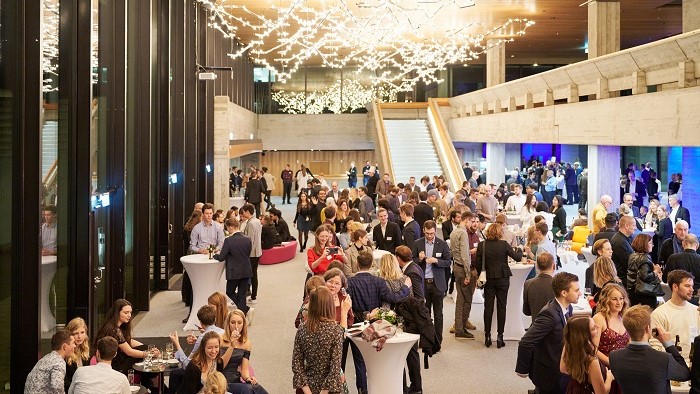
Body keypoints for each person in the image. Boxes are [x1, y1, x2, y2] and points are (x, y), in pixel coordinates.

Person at [346, 252, 410, 393]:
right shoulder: (379, 281)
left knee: (360, 361)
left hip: (356, 326)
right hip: (376, 327)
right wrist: (406, 288)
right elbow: (393, 298)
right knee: (376, 360)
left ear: (357, 264)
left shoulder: (349, 282)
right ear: (372, 265)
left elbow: (348, 306)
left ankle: (363, 390)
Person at [516, 272, 580, 394]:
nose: (580, 293)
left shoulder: (568, 307)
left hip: (560, 366)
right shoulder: (550, 315)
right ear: (564, 293)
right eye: (576, 290)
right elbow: (526, 341)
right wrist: (523, 370)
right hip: (548, 372)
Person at [609, 305, 689, 394]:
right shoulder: (663, 359)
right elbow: (685, 374)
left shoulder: (614, 357)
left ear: (627, 329)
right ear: (648, 328)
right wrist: (668, 344)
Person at [476, 222, 524, 348]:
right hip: (503, 278)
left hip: (488, 279)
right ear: (500, 233)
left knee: (488, 307)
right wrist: (519, 249)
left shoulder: (482, 245)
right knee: (502, 307)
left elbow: (477, 263)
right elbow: (517, 258)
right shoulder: (503, 244)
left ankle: (487, 335)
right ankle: (500, 336)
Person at [292, 286, 345, 394]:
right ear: (329, 305)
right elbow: (335, 366)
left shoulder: (302, 328)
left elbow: (296, 362)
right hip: (329, 389)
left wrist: (306, 390)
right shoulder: (336, 330)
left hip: (307, 386)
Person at [412, 220, 452, 346]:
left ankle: (438, 341)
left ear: (435, 231)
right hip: (423, 284)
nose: (430, 236)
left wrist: (437, 261)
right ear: (424, 230)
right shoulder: (417, 243)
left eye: (432, 233)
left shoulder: (442, 244)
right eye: (427, 233)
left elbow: (448, 262)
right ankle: (426, 340)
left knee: (438, 314)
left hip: (437, 283)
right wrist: (419, 258)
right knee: (425, 314)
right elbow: (412, 261)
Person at [650, 269, 700, 357]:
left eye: (692, 286)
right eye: (687, 286)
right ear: (675, 287)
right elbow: (656, 346)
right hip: (672, 365)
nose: (692, 290)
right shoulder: (659, 314)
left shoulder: (696, 311)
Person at [94, 299, 151, 375]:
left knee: (144, 348)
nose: (129, 315)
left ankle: (149, 382)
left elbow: (129, 341)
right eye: (126, 313)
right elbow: (129, 352)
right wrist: (148, 354)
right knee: (143, 358)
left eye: (130, 312)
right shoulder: (113, 330)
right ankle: (149, 382)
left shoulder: (119, 326)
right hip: (113, 363)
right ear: (117, 313)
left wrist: (147, 348)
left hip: (119, 357)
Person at [559, 315, 614, 393]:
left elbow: (563, 369)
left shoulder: (569, 347)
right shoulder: (592, 361)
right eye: (593, 328)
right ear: (585, 335)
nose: (597, 326)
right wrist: (609, 377)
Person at [219, 310, 269, 394]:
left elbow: (244, 369)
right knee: (248, 390)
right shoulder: (220, 339)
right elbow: (220, 366)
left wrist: (248, 378)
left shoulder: (247, 343)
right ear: (228, 323)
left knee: (255, 387)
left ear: (243, 324)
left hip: (235, 380)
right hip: (221, 380)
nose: (236, 326)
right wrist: (231, 346)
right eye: (233, 322)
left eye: (239, 323)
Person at [214, 218, 253, 323]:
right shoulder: (247, 239)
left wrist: (214, 255)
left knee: (230, 291)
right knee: (242, 294)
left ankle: (245, 310)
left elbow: (222, 257)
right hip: (246, 270)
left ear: (230, 227)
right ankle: (243, 315)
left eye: (227, 228)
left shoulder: (228, 240)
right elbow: (248, 253)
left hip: (234, 271)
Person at [450, 210, 477, 339]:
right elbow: (466, 256)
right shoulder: (463, 233)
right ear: (466, 220)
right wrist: (468, 274)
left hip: (456, 266)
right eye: (472, 221)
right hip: (463, 268)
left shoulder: (454, 231)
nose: (473, 223)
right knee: (466, 300)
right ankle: (461, 328)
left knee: (460, 299)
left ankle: (459, 327)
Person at [592, 284, 630, 373]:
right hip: (604, 368)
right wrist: (611, 362)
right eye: (614, 299)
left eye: (621, 298)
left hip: (623, 367)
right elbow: (593, 349)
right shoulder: (599, 318)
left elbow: (629, 344)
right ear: (606, 300)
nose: (619, 302)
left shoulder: (624, 317)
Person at [626, 233, 662, 307]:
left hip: (632, 291)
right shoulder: (645, 258)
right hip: (644, 294)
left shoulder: (632, 255)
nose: (653, 245)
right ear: (644, 244)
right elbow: (645, 276)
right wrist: (656, 271)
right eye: (651, 243)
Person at [664, 235, 700, 302]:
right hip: (696, 299)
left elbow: (665, 279)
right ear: (697, 245)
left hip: (678, 298)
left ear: (683, 244)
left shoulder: (673, 258)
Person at [523, 252, 556, 321]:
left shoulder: (528, 283)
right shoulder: (558, 285)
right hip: (555, 328)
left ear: (537, 266)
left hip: (535, 326)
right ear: (554, 266)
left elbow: (526, 311)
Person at [240, 204, 262, 304]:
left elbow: (249, 241)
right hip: (257, 251)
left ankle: (245, 296)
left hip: (251, 253)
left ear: (248, 212)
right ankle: (253, 296)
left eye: (244, 212)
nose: (243, 214)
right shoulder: (257, 221)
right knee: (254, 275)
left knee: (247, 275)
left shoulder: (251, 223)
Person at [64, 317, 90, 392]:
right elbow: (63, 382)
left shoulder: (86, 350)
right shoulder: (65, 351)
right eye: (76, 333)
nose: (79, 336)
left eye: (82, 332)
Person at [611, 215, 635, 287]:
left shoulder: (625, 238)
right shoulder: (620, 242)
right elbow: (628, 263)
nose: (635, 228)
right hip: (623, 280)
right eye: (634, 225)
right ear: (626, 226)